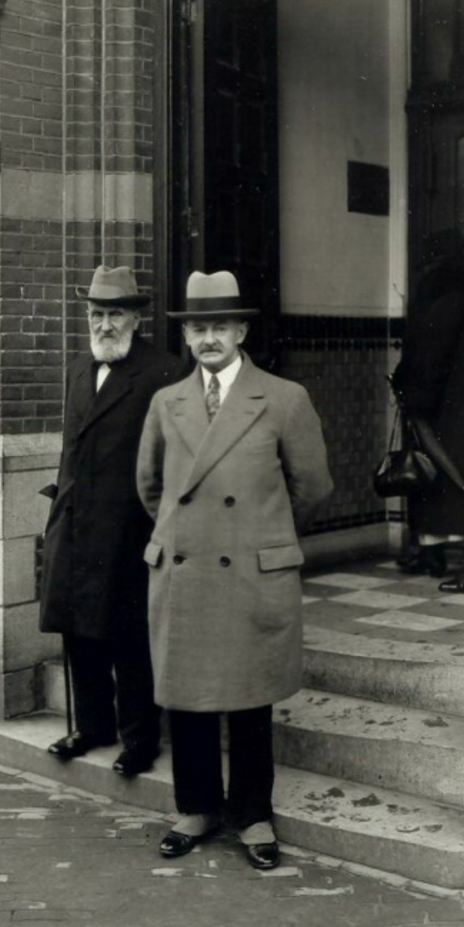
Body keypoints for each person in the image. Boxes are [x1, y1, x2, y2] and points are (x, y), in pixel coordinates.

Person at [136, 270, 333, 869]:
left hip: (251, 569)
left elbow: (312, 487)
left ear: (241, 332)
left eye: (219, 326)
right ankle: (195, 809)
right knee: (188, 696)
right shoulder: (166, 402)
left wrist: (257, 531)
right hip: (186, 569)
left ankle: (252, 816)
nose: (208, 338)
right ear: (186, 336)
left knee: (251, 700)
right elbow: (150, 487)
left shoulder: (283, 398)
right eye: (198, 328)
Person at [40, 265, 184, 776]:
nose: (105, 325)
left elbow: (171, 461)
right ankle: (92, 725)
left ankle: (139, 740)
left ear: (135, 319)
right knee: (80, 632)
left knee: (130, 637)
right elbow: (71, 450)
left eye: (115, 315)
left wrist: (160, 528)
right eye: (97, 314)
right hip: (75, 523)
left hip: (129, 529)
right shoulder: (79, 369)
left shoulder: (164, 372)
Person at [392, 229, 464, 593]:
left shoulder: (442, 298)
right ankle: (446, 556)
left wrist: (409, 391)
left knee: (446, 481)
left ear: (434, 263)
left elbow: (428, 357)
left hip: (447, 409)